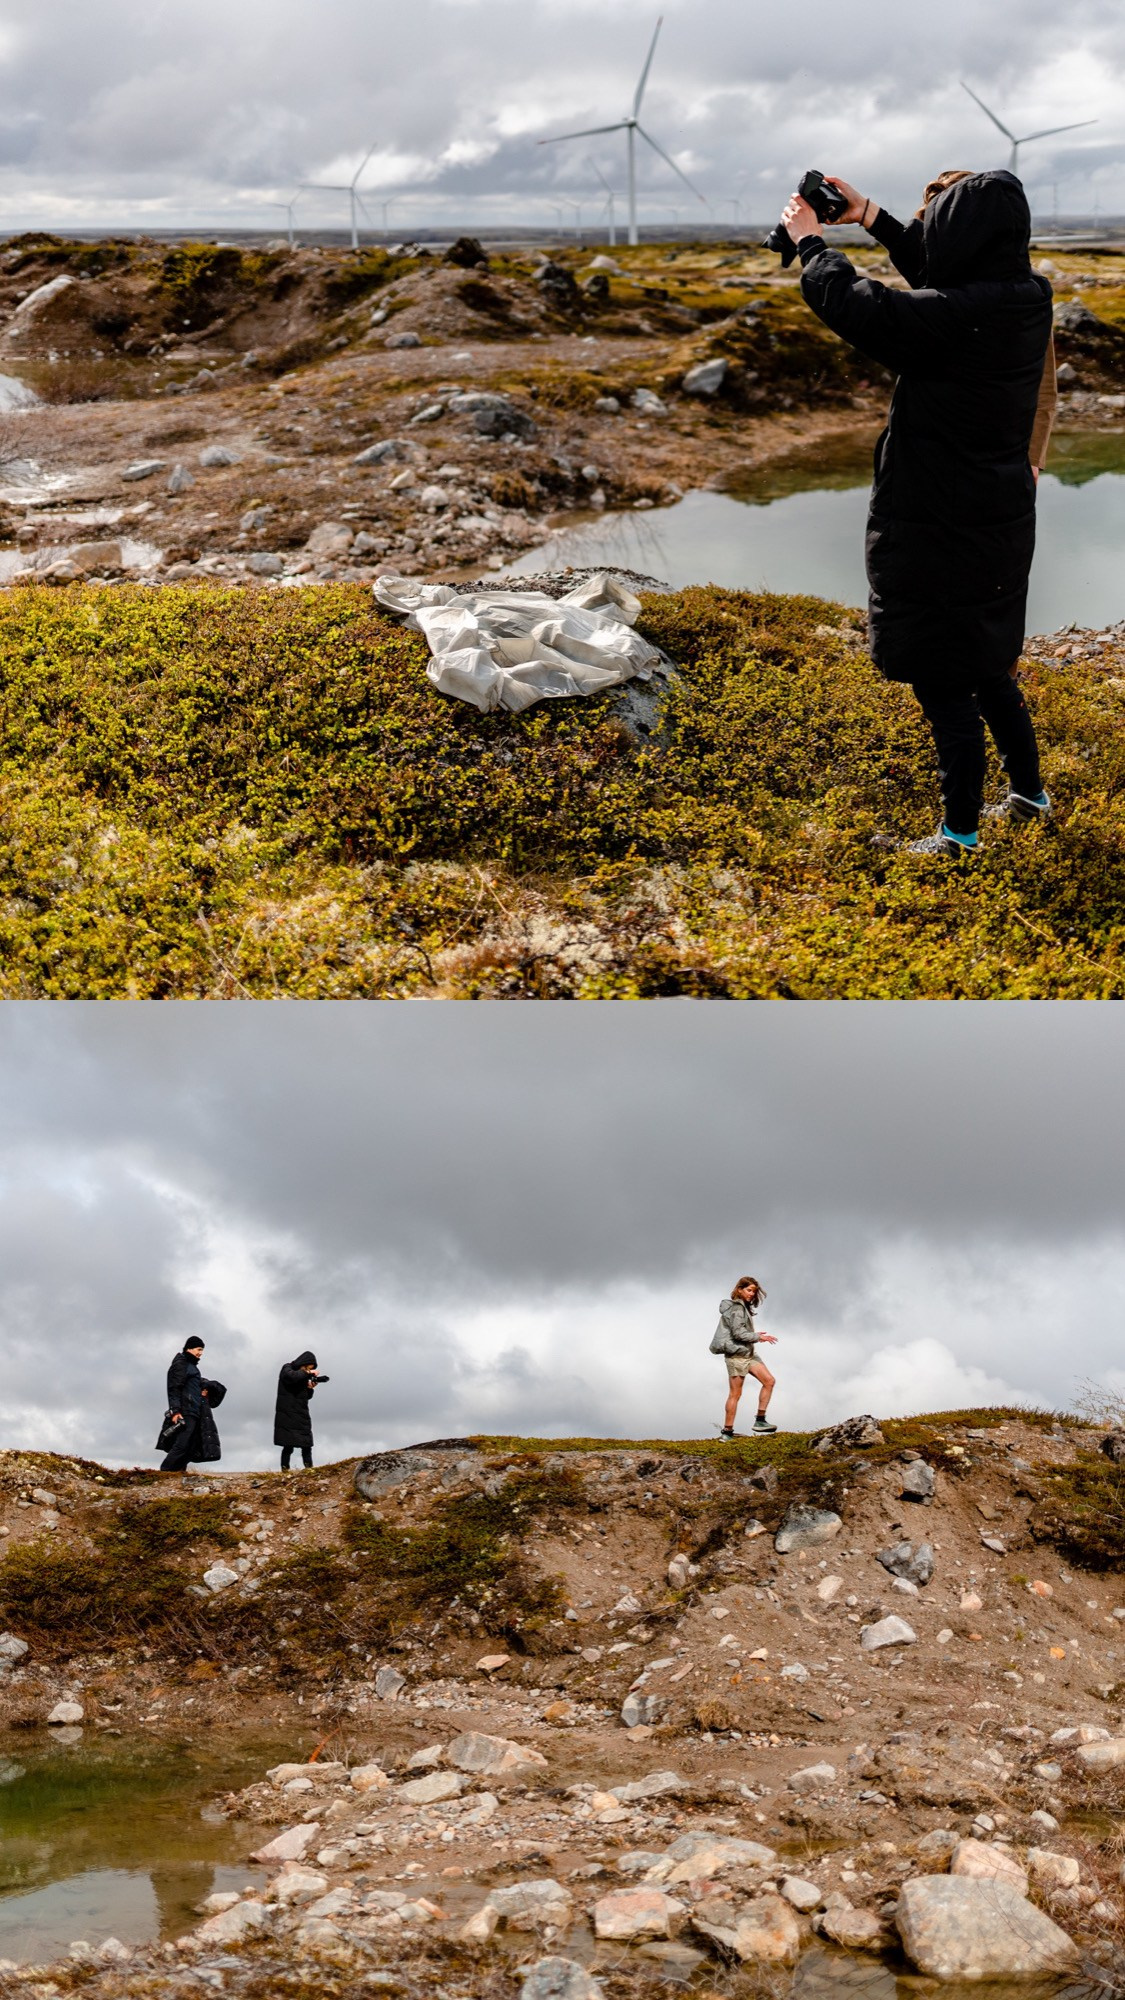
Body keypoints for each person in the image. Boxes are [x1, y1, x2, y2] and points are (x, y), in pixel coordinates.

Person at [778, 167, 1055, 857]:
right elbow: (945, 278)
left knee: (943, 681)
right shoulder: (1024, 297)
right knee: (988, 666)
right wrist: (870, 216)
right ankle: (1030, 796)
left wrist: (812, 245)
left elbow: (863, 308)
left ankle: (959, 836)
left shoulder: (954, 317)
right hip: (995, 516)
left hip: (938, 520)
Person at [710, 1277, 778, 1438]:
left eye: (754, 1291)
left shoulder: (742, 1308)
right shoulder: (737, 1309)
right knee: (735, 1394)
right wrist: (758, 1337)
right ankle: (727, 1432)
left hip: (748, 1353)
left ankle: (760, 1421)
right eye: (749, 1290)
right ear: (739, 1290)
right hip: (736, 1356)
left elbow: (740, 1332)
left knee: (769, 1381)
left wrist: (754, 1335)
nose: (752, 1294)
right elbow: (738, 1334)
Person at [160, 1338, 225, 1471]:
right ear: (189, 1348)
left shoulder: (192, 1366)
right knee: (182, 1444)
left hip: (194, 1410)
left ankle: (178, 1472)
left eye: (202, 1350)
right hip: (186, 1410)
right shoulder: (181, 1364)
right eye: (199, 1349)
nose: (201, 1353)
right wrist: (175, 1411)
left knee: (191, 1445)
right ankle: (165, 1471)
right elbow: (174, 1388)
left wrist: (202, 1393)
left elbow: (189, 1387)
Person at [274, 1351, 329, 1470]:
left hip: (301, 1413)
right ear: (302, 1363)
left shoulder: (302, 1376)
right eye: (307, 1367)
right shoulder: (287, 1368)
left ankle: (309, 1470)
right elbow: (291, 1377)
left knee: (307, 1445)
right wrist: (308, 1373)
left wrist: (310, 1388)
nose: (307, 1370)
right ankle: (285, 1470)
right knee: (288, 1445)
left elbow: (305, 1397)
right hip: (287, 1414)